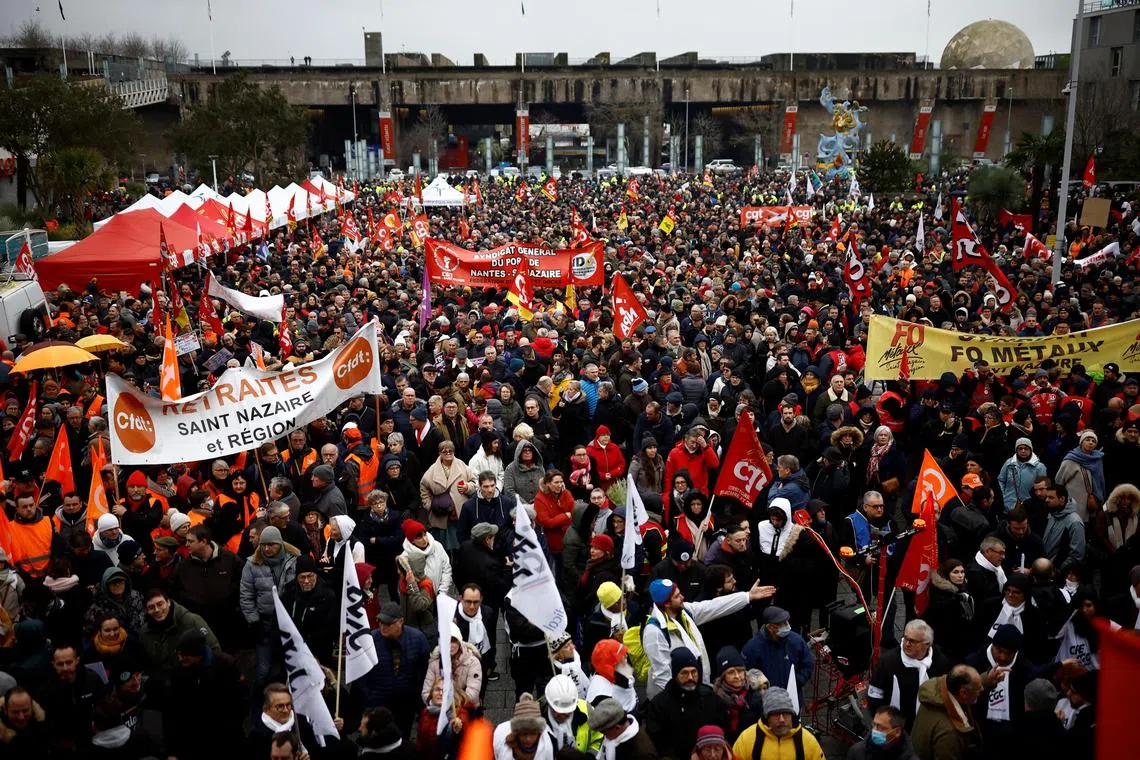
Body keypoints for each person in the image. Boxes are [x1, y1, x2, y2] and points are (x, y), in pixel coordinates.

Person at [643, 577, 776, 698]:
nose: (683, 597)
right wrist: (680, 701)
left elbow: (714, 606)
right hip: (676, 700)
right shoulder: (654, 632)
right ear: (666, 604)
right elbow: (662, 676)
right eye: (677, 596)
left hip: (696, 690)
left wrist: (748, 596)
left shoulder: (684, 612)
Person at [358, 601, 430, 738]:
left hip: (405, 705)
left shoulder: (418, 639)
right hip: (378, 705)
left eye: (388, 624)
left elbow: (425, 672)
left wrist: (418, 700)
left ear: (401, 622)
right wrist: (369, 697)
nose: (383, 627)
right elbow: (360, 676)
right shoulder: (370, 640)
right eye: (380, 622)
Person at [239, 525, 300, 687]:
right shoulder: (252, 564)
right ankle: (261, 705)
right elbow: (246, 595)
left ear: (279, 544)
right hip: (264, 625)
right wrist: (254, 621)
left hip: (287, 625)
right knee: (263, 672)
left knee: (289, 668)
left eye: (271, 545)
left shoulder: (293, 560)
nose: (267, 549)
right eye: (263, 545)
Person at [866, 620, 950, 731]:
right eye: (905, 638)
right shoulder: (888, 662)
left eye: (912, 641)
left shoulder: (939, 662)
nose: (906, 644)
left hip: (927, 726)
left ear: (927, 644)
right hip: (897, 727)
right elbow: (874, 696)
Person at [644, 648, 724, 760]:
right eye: (684, 673)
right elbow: (657, 739)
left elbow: (722, 728)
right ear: (675, 675)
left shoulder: (710, 698)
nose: (690, 677)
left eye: (694, 672)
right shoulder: (659, 704)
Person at [742, 606, 813, 707]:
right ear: (770, 627)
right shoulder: (753, 648)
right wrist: (760, 690)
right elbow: (747, 673)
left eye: (787, 622)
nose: (787, 625)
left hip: (792, 699)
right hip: (766, 702)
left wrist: (799, 680)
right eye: (783, 623)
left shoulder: (796, 641)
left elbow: (807, 662)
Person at [730, 686, 826, 760]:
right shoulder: (746, 739)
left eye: (785, 714)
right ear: (767, 717)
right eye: (776, 714)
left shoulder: (808, 741)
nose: (781, 719)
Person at [910, 665, 984, 760]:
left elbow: (971, 688)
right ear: (963, 693)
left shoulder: (935, 694)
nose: (982, 689)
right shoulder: (949, 733)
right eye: (978, 688)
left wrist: (988, 678)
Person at [422, 622, 483, 710]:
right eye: (446, 641)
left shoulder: (472, 662)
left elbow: (472, 693)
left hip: (466, 709)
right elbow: (426, 692)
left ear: (459, 642)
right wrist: (436, 703)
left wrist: (451, 705)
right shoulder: (434, 663)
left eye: (453, 641)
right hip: (439, 710)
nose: (450, 645)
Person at [542, 674, 602, 755]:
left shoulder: (587, 710)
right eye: (558, 711)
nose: (563, 715)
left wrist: (589, 756)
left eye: (567, 711)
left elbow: (598, 738)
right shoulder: (537, 723)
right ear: (549, 704)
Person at [586, 697, 657, 760]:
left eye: (604, 732)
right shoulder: (615, 735)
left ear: (617, 727)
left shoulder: (642, 752)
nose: (604, 736)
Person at [493, 693, 554, 760]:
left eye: (533, 733)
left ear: (539, 732)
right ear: (516, 732)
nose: (528, 739)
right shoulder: (500, 740)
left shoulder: (547, 747)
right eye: (524, 734)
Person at [846, 706, 919, 760]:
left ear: (897, 732)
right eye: (874, 724)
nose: (874, 730)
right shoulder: (857, 751)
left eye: (881, 727)